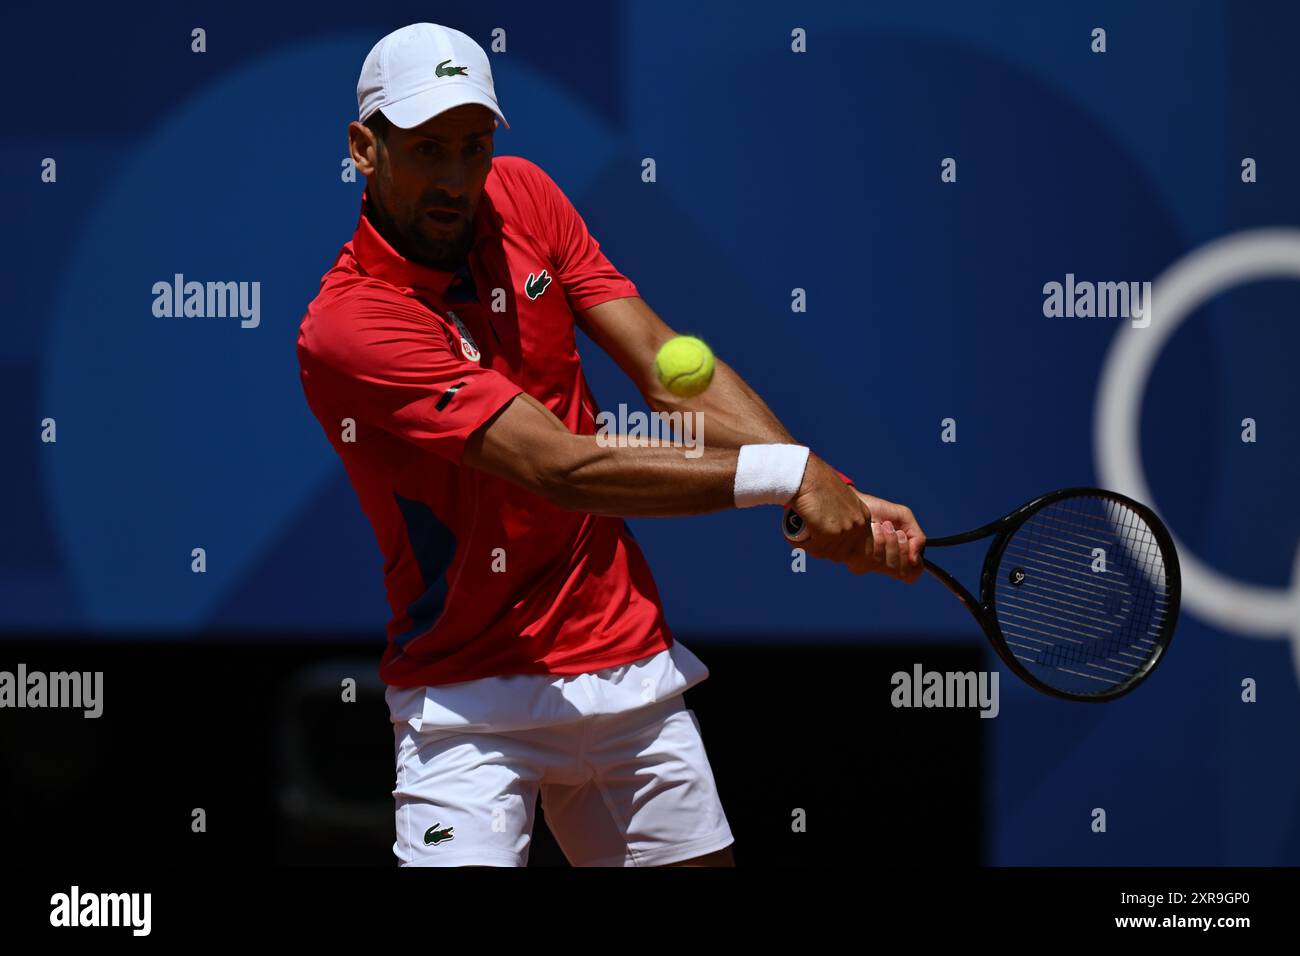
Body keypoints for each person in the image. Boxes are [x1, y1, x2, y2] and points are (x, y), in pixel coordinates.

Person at [296, 22, 926, 867]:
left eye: (474, 146)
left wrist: (831, 488)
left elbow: (671, 376)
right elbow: (561, 465)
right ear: (363, 148)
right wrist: (791, 474)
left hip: (625, 664)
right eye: (428, 150)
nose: (456, 179)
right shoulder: (350, 325)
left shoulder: (523, 196)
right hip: (466, 701)